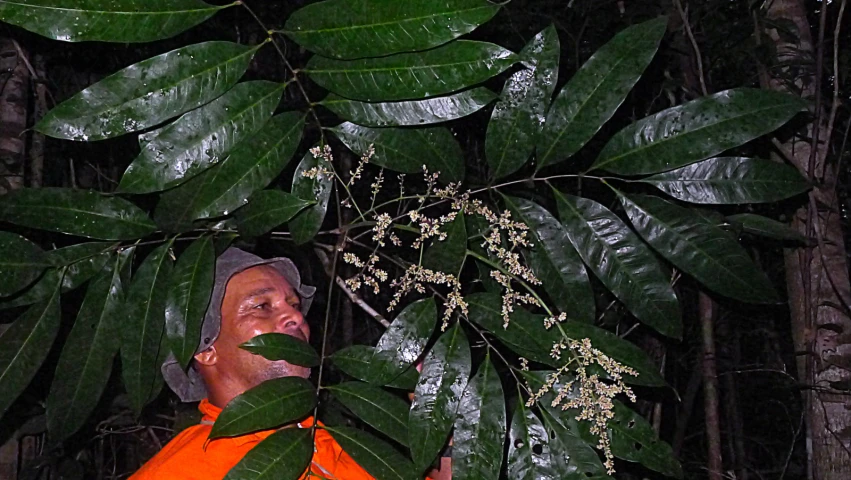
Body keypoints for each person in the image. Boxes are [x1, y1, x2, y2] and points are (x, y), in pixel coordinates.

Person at [130, 248, 449, 479]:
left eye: (294, 305)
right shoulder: (185, 470)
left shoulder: (340, 445)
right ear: (205, 350)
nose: (296, 317)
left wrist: (437, 417)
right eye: (261, 306)